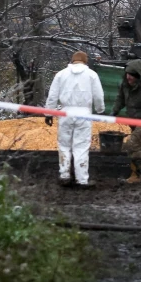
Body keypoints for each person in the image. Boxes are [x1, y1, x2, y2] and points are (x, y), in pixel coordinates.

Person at [44, 51, 105, 188]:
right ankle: (82, 179)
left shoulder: (61, 74)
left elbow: (52, 95)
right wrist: (100, 110)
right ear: (85, 61)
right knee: (81, 147)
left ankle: (64, 175)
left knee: (64, 145)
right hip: (84, 114)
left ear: (72, 61)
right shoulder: (92, 75)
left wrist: (49, 113)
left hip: (65, 113)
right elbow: (99, 96)